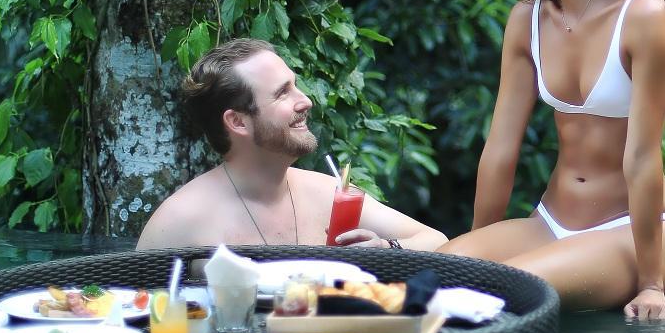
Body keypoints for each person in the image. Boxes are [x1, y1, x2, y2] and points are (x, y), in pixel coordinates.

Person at [439, 0, 665, 320]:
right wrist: (478, 248)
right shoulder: (526, 19)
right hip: (549, 224)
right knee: (440, 275)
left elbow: (642, 158)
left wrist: (651, 286)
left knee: (499, 291)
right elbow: (500, 150)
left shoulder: (642, 15)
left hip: (627, 232)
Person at [136, 38, 447, 252]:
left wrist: (388, 248)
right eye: (282, 93)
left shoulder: (327, 194)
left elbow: (436, 241)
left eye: (295, 86)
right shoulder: (181, 219)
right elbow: (131, 305)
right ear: (238, 122)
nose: (306, 101)